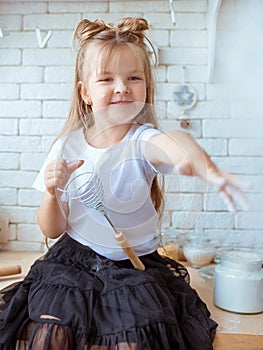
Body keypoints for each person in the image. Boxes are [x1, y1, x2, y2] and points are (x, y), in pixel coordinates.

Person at [0, 17, 248, 350]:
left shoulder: (142, 141)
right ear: (85, 92)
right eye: (106, 79)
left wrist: (209, 169)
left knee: (134, 338)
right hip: (71, 265)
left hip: (132, 268)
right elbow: (51, 229)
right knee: (50, 334)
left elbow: (178, 143)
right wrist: (51, 192)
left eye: (133, 77)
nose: (122, 87)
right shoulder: (67, 146)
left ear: (146, 87)